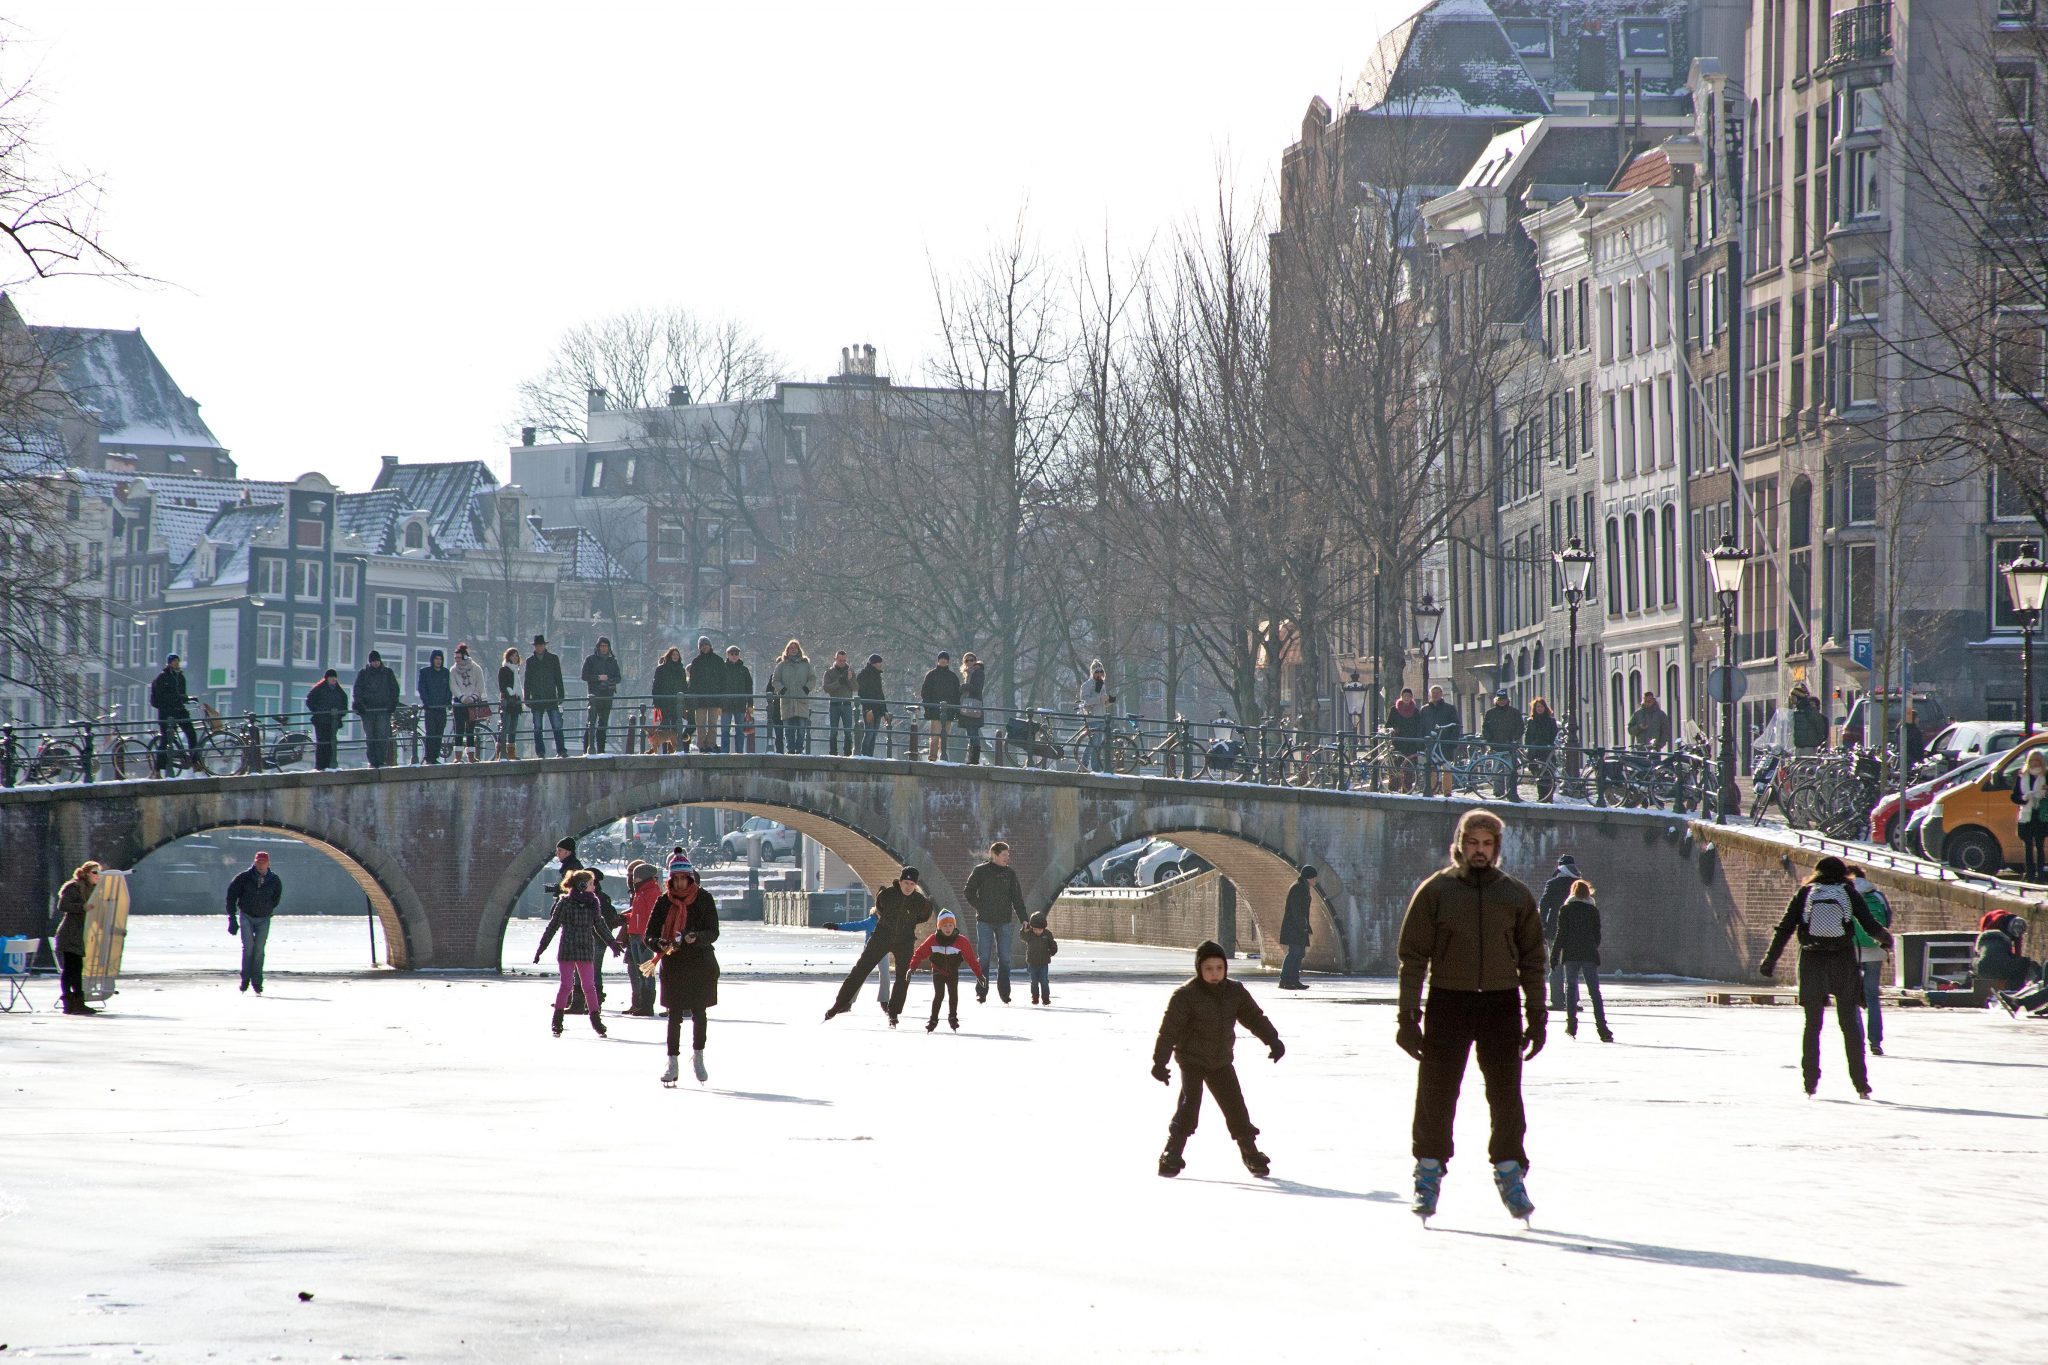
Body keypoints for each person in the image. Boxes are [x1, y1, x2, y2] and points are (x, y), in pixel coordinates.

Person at [1396, 808, 1545, 1223]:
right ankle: (1427, 1173)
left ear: (1496, 848)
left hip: (1501, 1003)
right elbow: (1412, 957)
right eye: (1473, 843)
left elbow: (1534, 959)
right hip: (1449, 1000)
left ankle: (1511, 1172)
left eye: (1487, 844)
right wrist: (1408, 1016)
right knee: (1437, 1094)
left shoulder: (1514, 895)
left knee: (1505, 1095)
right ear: (1460, 844)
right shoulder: (1437, 891)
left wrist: (1537, 1013)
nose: (1480, 851)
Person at [1758, 855, 1893, 1099]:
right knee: (1850, 1026)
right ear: (1843, 874)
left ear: (1817, 873)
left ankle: (1810, 1082)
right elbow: (1869, 924)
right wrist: (1886, 939)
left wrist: (1770, 961)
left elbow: (1785, 928)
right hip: (1842, 960)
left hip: (1812, 962)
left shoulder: (1806, 893)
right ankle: (1861, 1084)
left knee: (1812, 1025)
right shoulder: (1848, 892)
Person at [1151, 939, 1283, 1179]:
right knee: (1190, 1106)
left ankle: (1250, 1153)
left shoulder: (1235, 992)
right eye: (1208, 969)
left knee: (1236, 1107)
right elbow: (1168, 1031)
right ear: (1199, 970)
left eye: (1219, 968)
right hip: (1192, 1059)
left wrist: (1272, 1040)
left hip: (1221, 1060)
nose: (1214, 974)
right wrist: (1160, 1063)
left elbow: (1253, 1017)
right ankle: (1172, 1153)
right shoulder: (1185, 995)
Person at [824, 867, 931, 1025]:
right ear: (900, 882)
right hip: (882, 936)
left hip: (904, 940)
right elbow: (880, 906)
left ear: (915, 885)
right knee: (860, 970)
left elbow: (924, 916)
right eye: (906, 883)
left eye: (912, 884)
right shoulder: (888, 894)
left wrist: (907, 924)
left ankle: (893, 1012)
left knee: (904, 977)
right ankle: (839, 1005)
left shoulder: (920, 902)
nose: (908, 887)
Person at [648, 855, 720, 1084]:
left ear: (690, 878)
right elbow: (649, 934)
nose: (679, 883)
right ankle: (672, 1062)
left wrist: (694, 937)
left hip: (699, 963)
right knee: (674, 1015)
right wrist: (659, 943)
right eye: (675, 879)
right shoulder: (663, 901)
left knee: (700, 1014)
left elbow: (713, 932)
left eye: (683, 879)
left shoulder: (704, 899)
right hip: (674, 963)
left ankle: (698, 1057)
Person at [534, 867, 621, 1038]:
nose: (594, 887)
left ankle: (596, 1020)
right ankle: (557, 1021)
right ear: (581, 885)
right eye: (590, 884)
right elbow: (552, 926)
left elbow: (600, 924)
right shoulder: (565, 902)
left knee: (590, 986)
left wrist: (612, 943)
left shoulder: (593, 902)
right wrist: (541, 948)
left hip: (585, 948)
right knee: (566, 986)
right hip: (568, 948)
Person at [964, 840, 1027, 1004]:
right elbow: (968, 891)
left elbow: (1017, 898)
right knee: (983, 958)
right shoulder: (980, 871)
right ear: (995, 855)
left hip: (1004, 921)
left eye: (1008, 855)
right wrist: (980, 906)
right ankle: (981, 992)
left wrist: (1024, 919)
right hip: (984, 921)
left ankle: (1005, 993)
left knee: (1005, 958)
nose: (1008, 858)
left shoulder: (1010, 874)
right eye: (1005, 855)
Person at [1551, 878, 1611, 1042]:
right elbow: (1597, 935)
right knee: (1594, 992)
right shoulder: (1593, 910)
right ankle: (1602, 1028)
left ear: (1573, 892)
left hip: (1570, 954)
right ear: (1587, 893)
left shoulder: (1566, 909)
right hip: (1589, 954)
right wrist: (1591, 946)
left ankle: (1571, 1025)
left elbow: (1561, 934)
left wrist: (1555, 955)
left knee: (1570, 989)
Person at [908, 908, 986, 1032]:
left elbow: (971, 959)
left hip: (952, 971)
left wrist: (979, 975)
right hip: (938, 971)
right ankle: (933, 1019)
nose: (948, 928)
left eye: (950, 925)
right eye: (945, 925)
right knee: (939, 994)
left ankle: (953, 1017)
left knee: (953, 994)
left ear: (954, 926)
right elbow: (920, 953)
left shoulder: (961, 941)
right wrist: (912, 967)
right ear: (939, 927)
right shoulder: (933, 939)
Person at [1847, 866, 1893, 1055]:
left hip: (1852, 951)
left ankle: (1858, 1041)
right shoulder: (1878, 895)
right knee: (1872, 996)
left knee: (1852, 997)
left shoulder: (1845, 895)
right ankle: (1875, 1041)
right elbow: (1887, 921)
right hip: (1875, 950)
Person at [226, 850, 283, 995]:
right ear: (254, 862)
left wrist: (266, 908)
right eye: (258, 862)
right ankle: (245, 979)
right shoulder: (243, 878)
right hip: (246, 916)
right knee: (248, 947)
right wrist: (232, 918)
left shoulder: (274, 880)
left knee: (259, 950)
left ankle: (257, 982)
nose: (261, 865)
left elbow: (276, 898)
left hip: (264, 918)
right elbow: (231, 896)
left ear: (268, 863)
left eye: (263, 862)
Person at [826, 904, 895, 1009]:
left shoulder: (889, 922)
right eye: (880, 913)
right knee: (860, 976)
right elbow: (854, 926)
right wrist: (837, 926)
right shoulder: (870, 922)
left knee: (885, 975)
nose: (882, 915)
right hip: (869, 952)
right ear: (876, 912)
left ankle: (884, 1001)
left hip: (883, 951)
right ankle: (848, 1002)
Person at [54, 860, 99, 1015]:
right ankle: (70, 1002)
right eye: (94, 872)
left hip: (79, 935)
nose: (97, 876)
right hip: (69, 934)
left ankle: (78, 1002)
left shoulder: (92, 890)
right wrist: (82, 907)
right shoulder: (74, 887)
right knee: (70, 969)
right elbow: (62, 905)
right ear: (86, 873)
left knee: (77, 969)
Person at [1537, 853, 1579, 1013]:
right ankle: (1573, 1001)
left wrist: (1543, 925)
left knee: (1555, 966)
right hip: (1574, 932)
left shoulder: (1553, 883)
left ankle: (1557, 1001)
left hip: (1554, 929)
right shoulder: (1578, 884)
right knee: (1572, 967)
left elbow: (1544, 903)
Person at [622, 860, 661, 1016]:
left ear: (642, 877)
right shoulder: (640, 891)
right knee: (640, 972)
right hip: (635, 934)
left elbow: (653, 916)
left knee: (646, 972)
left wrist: (648, 935)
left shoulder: (651, 892)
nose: (633, 879)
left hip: (643, 936)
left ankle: (647, 1005)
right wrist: (626, 917)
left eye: (636, 876)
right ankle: (642, 1004)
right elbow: (638, 914)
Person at [1972, 910, 2038, 996]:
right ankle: (2015, 988)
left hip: (1983, 964)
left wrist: (2014, 959)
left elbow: (2018, 946)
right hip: (1992, 949)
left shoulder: (2017, 928)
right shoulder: (1996, 922)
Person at [150, 654, 199, 769]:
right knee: (166, 739)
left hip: (180, 710)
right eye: (174, 661)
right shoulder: (162, 678)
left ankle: (195, 761)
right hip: (167, 713)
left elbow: (182, 695)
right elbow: (160, 697)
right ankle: (158, 769)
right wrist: (174, 699)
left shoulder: (181, 677)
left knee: (191, 734)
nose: (176, 663)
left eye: (178, 661)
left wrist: (188, 699)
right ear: (169, 663)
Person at [351, 652, 398, 768]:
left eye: (377, 661)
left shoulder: (388, 673)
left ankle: (380, 760)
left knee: (382, 736)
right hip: (368, 711)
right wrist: (361, 705)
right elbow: (357, 691)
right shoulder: (363, 674)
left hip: (383, 710)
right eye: (373, 661)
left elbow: (394, 689)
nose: (375, 663)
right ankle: (372, 761)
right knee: (371, 736)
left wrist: (392, 704)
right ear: (370, 662)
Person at [524, 635, 567, 758]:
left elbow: (558, 677)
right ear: (535, 646)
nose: (539, 647)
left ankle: (561, 750)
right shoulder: (530, 661)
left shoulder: (553, 659)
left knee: (556, 725)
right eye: (537, 645)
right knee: (537, 727)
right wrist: (527, 697)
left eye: (541, 645)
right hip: (537, 698)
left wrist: (561, 694)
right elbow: (527, 681)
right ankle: (540, 752)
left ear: (544, 645)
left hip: (551, 696)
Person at [770, 639, 816, 754]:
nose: (793, 650)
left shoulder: (806, 665)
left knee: (801, 729)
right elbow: (775, 680)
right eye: (791, 648)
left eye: (795, 648)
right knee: (788, 729)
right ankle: (790, 750)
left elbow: (812, 678)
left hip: (801, 700)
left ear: (799, 649)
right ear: (787, 650)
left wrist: (806, 688)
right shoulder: (781, 665)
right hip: (787, 700)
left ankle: (800, 750)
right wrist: (782, 690)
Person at [580, 636, 622, 754]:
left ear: (609, 647)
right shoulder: (590, 659)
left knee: (603, 724)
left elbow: (619, 678)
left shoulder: (613, 661)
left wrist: (610, 681)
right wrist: (598, 678)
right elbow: (584, 676)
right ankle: (587, 750)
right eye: (602, 646)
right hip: (594, 696)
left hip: (607, 695)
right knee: (591, 723)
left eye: (606, 646)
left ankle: (601, 751)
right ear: (598, 647)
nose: (604, 648)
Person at [2012, 750, 2048, 883]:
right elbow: (2014, 796)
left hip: (2040, 815)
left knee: (2039, 846)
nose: (2034, 763)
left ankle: (2040, 875)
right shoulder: (2023, 775)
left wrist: (2043, 795)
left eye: (2037, 761)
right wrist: (2024, 798)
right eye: (2032, 761)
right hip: (2026, 814)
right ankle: (2029, 874)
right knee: (2027, 846)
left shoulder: (2046, 775)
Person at [1278, 866, 1316, 990]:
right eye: (1314, 878)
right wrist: (1302, 926)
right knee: (1294, 953)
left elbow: (1303, 912)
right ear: (1309, 877)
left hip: (1299, 927)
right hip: (1294, 928)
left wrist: (1306, 926)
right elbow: (1296, 910)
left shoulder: (1303, 887)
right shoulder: (1298, 888)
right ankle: (1285, 980)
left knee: (1299, 953)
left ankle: (1294, 980)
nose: (1315, 880)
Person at [1481, 692, 1525, 799]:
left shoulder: (1514, 712)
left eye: (1504, 699)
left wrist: (1513, 739)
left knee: (1510, 771)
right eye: (1500, 699)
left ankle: (1511, 793)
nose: (1502, 701)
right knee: (1497, 771)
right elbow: (1485, 728)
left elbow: (1520, 727)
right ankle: (1498, 793)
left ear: (1507, 700)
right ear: (1496, 700)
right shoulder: (1490, 713)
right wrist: (1489, 739)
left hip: (1509, 747)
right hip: (1496, 746)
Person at [1419, 686, 1460, 797]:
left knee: (1446, 767)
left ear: (1442, 694)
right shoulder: (1425, 709)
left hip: (1445, 742)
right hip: (1430, 743)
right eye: (1433, 692)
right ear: (1430, 694)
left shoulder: (1449, 709)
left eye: (1437, 692)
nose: (1435, 695)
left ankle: (1447, 791)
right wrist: (1422, 741)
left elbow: (1456, 726)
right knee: (1431, 767)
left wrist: (1453, 741)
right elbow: (1421, 727)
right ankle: (1431, 789)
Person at [685, 637, 724, 752]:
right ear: (699, 648)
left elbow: (723, 680)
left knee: (713, 724)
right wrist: (692, 698)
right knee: (700, 724)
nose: (704, 647)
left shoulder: (718, 660)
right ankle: (701, 745)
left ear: (710, 645)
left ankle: (711, 744)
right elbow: (693, 682)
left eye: (706, 644)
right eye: (702, 645)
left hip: (714, 697)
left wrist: (721, 694)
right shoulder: (696, 662)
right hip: (700, 698)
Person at [305, 670, 348, 771]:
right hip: (321, 721)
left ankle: (329, 764)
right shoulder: (319, 689)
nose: (333, 679)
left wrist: (339, 715)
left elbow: (344, 705)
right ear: (327, 678)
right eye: (331, 677)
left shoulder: (339, 691)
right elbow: (309, 701)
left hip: (333, 722)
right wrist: (318, 711)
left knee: (330, 743)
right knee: (322, 743)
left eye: (334, 678)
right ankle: (321, 765)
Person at [450, 644, 487, 762]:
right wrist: (462, 697)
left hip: (472, 703)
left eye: (459, 658)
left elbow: (480, 685)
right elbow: (453, 686)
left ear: (465, 657)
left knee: (471, 730)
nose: (457, 661)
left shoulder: (476, 669)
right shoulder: (453, 670)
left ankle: (471, 755)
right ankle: (458, 756)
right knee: (459, 729)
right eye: (455, 658)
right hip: (459, 703)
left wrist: (473, 697)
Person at [921, 651, 960, 761]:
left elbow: (957, 695)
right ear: (938, 660)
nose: (943, 660)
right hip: (935, 710)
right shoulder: (931, 675)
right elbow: (925, 693)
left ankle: (943, 756)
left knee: (945, 737)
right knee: (934, 736)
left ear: (948, 661)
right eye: (941, 658)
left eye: (945, 659)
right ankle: (933, 757)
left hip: (949, 711)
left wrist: (956, 710)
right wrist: (928, 707)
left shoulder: (953, 677)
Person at [649, 646, 689, 754]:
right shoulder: (661, 669)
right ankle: (664, 751)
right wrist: (656, 701)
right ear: (669, 656)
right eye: (673, 655)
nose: (675, 657)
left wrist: (685, 701)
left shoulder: (681, 670)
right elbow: (656, 686)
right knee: (664, 728)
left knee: (676, 727)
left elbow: (684, 686)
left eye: (677, 655)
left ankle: (675, 750)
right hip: (664, 702)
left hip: (677, 702)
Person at [417, 649, 452, 764]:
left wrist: (447, 701)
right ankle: (429, 757)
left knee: (439, 733)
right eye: (436, 659)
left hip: (441, 708)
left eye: (440, 659)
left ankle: (435, 757)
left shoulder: (446, 673)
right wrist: (427, 702)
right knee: (431, 733)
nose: (438, 661)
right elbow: (422, 689)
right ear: (432, 660)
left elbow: (448, 689)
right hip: (430, 708)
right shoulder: (425, 672)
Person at [1076, 659, 1112, 769]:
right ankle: (1084, 765)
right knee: (1093, 743)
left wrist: (1108, 701)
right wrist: (1100, 699)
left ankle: (1094, 768)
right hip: (1092, 717)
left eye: (1101, 671)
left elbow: (1102, 702)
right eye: (1097, 671)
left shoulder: (1102, 684)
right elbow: (1085, 701)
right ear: (1092, 672)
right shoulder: (1086, 685)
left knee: (1097, 745)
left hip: (1101, 717)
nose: (1099, 674)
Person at [1388, 687, 1425, 792]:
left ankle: (1407, 789)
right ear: (1401, 697)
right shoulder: (1394, 710)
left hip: (1410, 743)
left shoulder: (1415, 711)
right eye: (1405, 696)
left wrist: (1417, 739)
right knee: (1395, 767)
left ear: (1412, 697)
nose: (1407, 698)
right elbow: (1389, 724)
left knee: (1409, 768)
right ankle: (1393, 789)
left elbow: (1419, 726)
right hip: (1398, 742)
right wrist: (1394, 729)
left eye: (1409, 696)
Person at [822, 649, 857, 756]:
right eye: (840, 660)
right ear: (835, 659)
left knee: (848, 731)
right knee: (833, 731)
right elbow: (826, 688)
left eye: (844, 660)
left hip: (847, 705)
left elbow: (855, 687)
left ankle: (847, 753)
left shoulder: (850, 672)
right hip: (834, 704)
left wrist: (849, 679)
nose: (842, 662)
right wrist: (839, 682)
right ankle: (833, 753)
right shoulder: (829, 672)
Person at [1524, 698, 1558, 801]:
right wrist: (1529, 747)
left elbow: (1553, 733)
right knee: (1538, 775)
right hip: (1535, 751)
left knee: (1548, 775)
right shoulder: (1531, 721)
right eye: (1537, 707)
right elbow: (1528, 736)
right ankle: (1541, 797)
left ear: (1545, 708)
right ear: (1534, 708)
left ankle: (1548, 797)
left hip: (1546, 750)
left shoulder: (1551, 721)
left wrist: (1549, 743)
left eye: (1541, 706)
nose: (1539, 709)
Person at [1022, 910, 1057, 1004]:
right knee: (1034, 981)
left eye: (1040, 930)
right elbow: (1023, 937)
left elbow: (1053, 944)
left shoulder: (1047, 934)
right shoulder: (1030, 934)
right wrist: (1024, 930)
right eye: (1035, 929)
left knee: (1044, 980)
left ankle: (1045, 997)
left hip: (1044, 963)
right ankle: (1035, 997)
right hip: (1032, 963)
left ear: (1043, 928)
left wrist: (1052, 951)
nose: (1037, 931)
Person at [855, 653, 887, 757]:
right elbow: (862, 693)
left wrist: (884, 710)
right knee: (869, 734)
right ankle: (865, 755)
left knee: (873, 735)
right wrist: (867, 709)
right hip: (869, 709)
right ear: (874, 663)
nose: (880, 665)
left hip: (877, 708)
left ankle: (869, 755)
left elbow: (880, 694)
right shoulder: (864, 675)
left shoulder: (877, 675)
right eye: (879, 663)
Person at [958, 652, 987, 765]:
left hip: (973, 706)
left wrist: (963, 687)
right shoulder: (969, 673)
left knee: (973, 732)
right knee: (970, 733)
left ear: (975, 661)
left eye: (971, 660)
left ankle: (974, 760)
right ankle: (971, 759)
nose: (969, 662)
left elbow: (977, 688)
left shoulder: (978, 672)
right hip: (969, 706)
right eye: (967, 660)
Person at [497, 648, 523, 760]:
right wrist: (510, 694)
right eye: (512, 655)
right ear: (508, 657)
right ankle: (501, 752)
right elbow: (502, 686)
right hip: (507, 701)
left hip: (515, 701)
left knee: (513, 727)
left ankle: (511, 753)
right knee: (505, 727)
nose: (515, 658)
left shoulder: (516, 670)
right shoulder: (504, 670)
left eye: (516, 656)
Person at [1789, 684, 1829, 754]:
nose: (1791, 698)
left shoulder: (1808, 710)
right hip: (1798, 746)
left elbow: (1819, 725)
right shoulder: (1797, 710)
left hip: (1808, 747)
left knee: (1807, 764)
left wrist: (1817, 741)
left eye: (1792, 696)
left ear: (1797, 697)